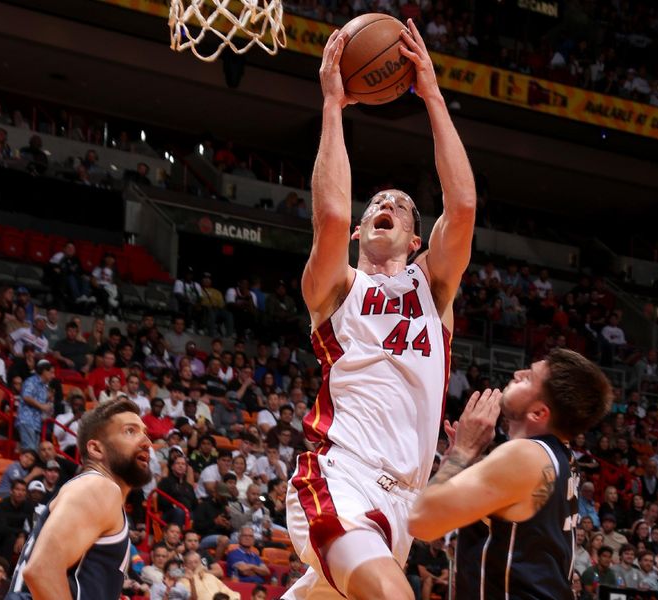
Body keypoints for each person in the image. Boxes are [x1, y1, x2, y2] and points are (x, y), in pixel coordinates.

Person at [285, 19, 476, 600]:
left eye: (402, 206)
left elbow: (463, 204)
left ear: (417, 242)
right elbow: (331, 216)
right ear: (362, 230)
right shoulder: (334, 287)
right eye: (377, 203)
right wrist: (334, 105)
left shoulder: (433, 288)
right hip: (340, 479)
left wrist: (433, 94)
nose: (387, 203)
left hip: (401, 508)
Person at [408, 349, 612, 599]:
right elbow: (447, 521)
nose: (517, 373)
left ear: (539, 413)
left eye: (528, 378)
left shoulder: (526, 456)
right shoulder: (562, 458)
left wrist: (464, 450)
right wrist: (459, 461)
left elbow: (422, 522)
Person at [6, 399, 152, 599]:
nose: (146, 442)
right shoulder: (98, 487)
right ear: (96, 449)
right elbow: (41, 570)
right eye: (130, 431)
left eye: (144, 432)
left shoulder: (95, 494)